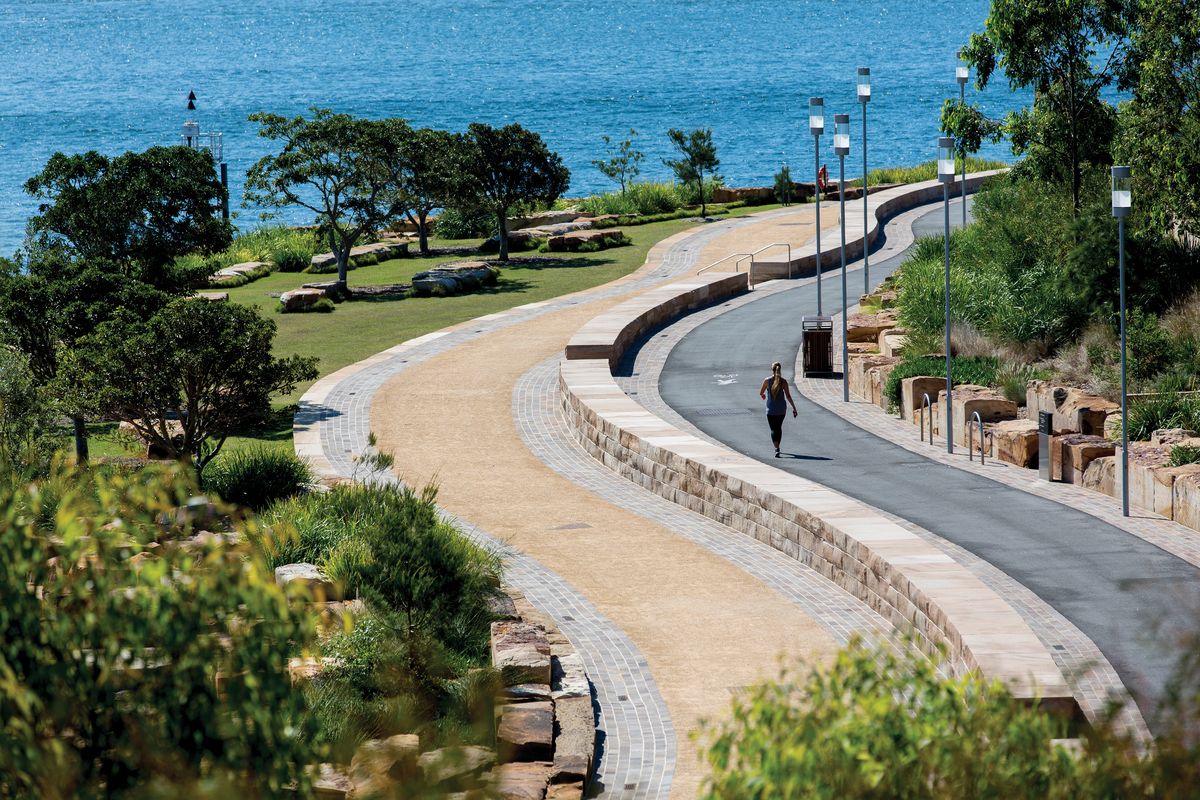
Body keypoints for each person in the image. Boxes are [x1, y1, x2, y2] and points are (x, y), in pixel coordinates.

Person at [759, 361, 798, 457]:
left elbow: (761, 392)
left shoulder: (767, 381)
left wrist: (763, 396)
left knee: (773, 429)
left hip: (771, 409)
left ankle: (776, 448)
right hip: (781, 409)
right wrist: (794, 408)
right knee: (778, 428)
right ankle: (778, 447)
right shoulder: (784, 382)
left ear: (772, 370)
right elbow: (788, 396)